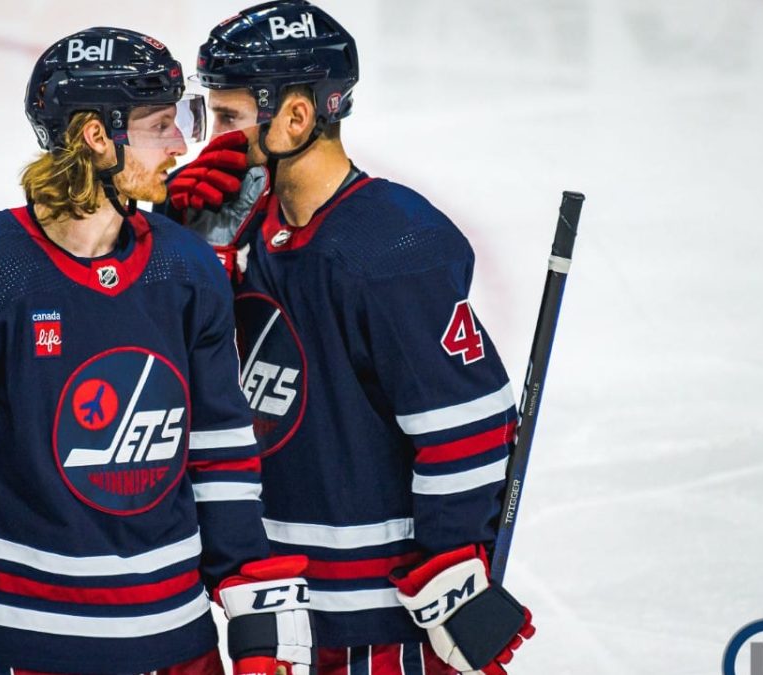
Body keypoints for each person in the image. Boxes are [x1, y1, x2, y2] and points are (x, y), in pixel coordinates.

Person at [0, 27, 314, 675]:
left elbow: (220, 447)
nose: (181, 144)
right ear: (95, 136)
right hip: (19, 649)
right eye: (160, 125)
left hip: (178, 643)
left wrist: (254, 617)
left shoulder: (187, 268)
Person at [163, 2, 536, 673]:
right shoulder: (243, 227)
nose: (211, 141)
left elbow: (467, 429)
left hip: (382, 623)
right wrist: (178, 250)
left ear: (296, 117)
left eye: (228, 117)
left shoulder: (393, 246)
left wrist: (452, 570)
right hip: (277, 609)